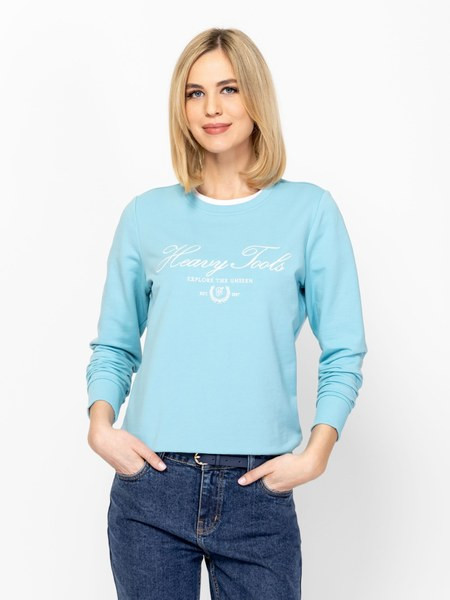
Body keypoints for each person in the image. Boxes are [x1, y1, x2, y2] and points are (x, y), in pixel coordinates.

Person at [86, 27, 368, 600]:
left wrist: (317, 451)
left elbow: (344, 348)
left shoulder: (309, 212)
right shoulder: (145, 216)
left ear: (255, 97)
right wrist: (101, 426)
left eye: (229, 89)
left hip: (257, 491)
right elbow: (115, 344)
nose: (211, 108)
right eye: (195, 93)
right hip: (151, 488)